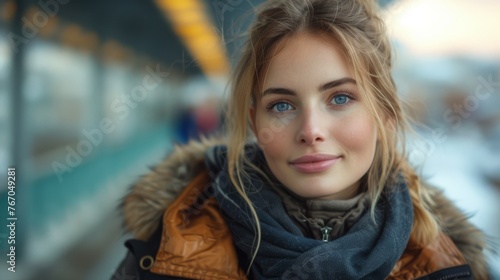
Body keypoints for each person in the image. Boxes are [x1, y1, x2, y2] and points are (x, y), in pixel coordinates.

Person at [113, 0, 490, 279]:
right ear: (254, 122)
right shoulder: (165, 250)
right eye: (281, 106)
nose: (311, 130)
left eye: (340, 98)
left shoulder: (451, 262)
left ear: (386, 115)